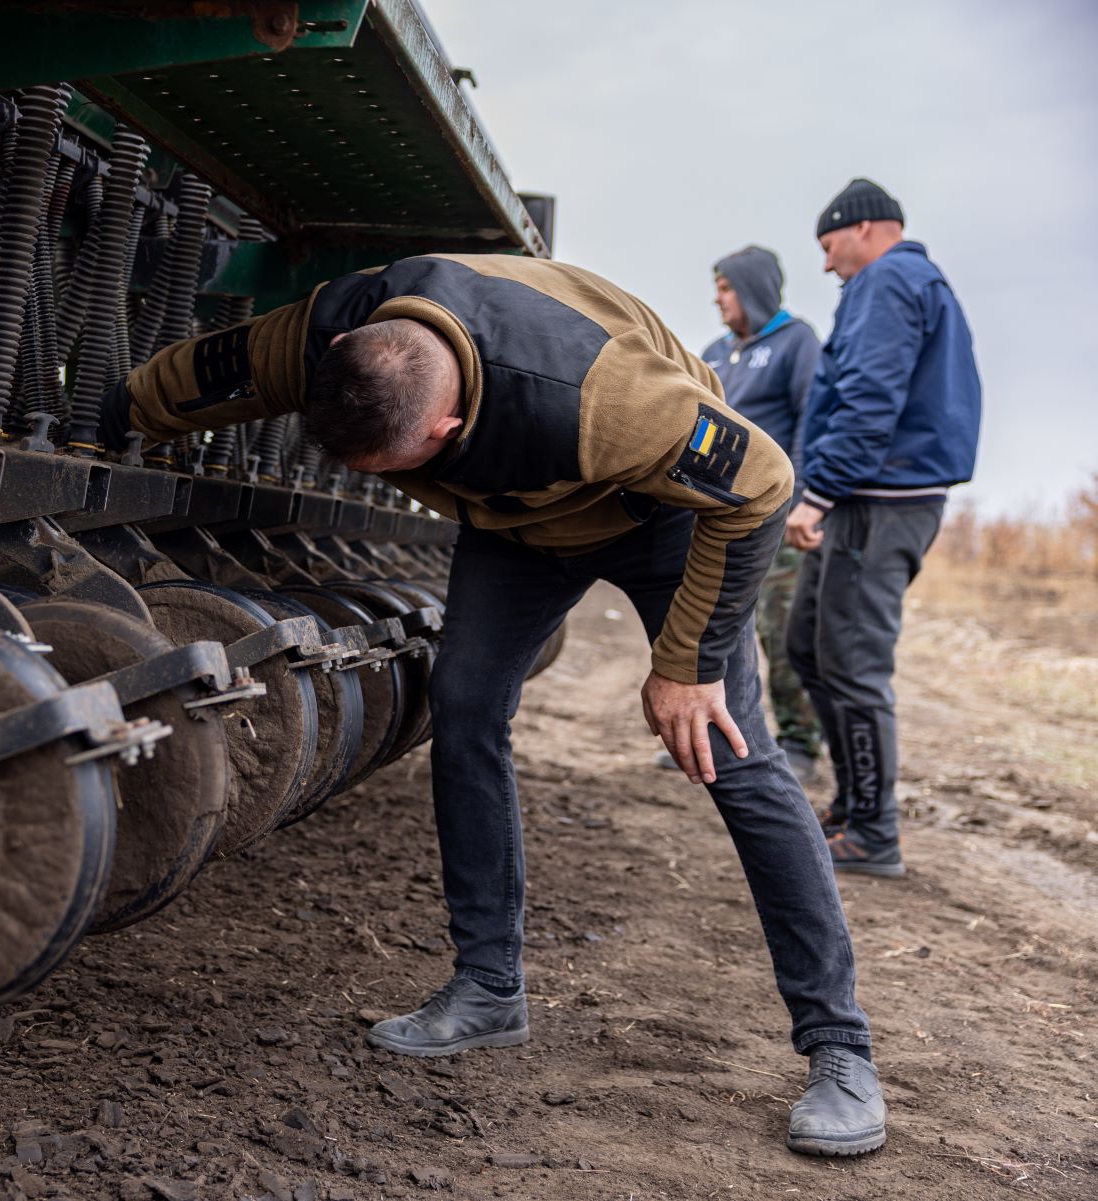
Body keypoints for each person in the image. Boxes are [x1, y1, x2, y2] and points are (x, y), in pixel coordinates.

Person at [101, 252, 887, 1158]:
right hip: (516, 531)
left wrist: (690, 664)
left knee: (730, 751)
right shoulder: (340, 326)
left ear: (451, 423)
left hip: (665, 516)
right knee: (464, 703)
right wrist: (121, 412)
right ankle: (488, 989)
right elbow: (220, 367)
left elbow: (758, 483)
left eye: (401, 467)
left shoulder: (602, 396)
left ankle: (840, 1048)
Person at [785, 179, 981, 878]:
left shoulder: (888, 280)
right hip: (874, 497)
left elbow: (870, 396)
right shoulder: (908, 282)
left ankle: (874, 832)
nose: (828, 263)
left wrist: (819, 493)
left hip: (879, 499)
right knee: (807, 644)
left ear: (864, 229)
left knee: (853, 665)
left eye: (830, 246)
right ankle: (852, 806)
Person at [656, 247, 825, 779]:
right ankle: (714, 735)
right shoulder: (716, 352)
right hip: (715, 520)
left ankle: (799, 743)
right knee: (717, 628)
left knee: (780, 629)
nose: (717, 298)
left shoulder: (796, 342)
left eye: (726, 288)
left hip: (775, 518)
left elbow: (811, 422)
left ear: (751, 288)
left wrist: (803, 503)